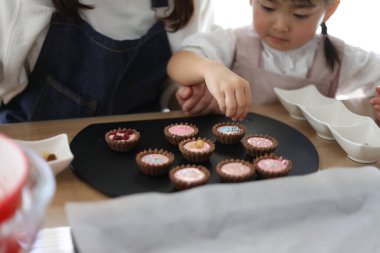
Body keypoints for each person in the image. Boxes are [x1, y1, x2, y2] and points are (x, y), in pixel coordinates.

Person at [0, 0, 215, 123]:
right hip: (40, 156)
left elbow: (171, 86)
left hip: (138, 156)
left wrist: (188, 97)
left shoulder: (182, 5)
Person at [167, 0, 380, 121]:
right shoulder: (233, 42)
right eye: (268, 8)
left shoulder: (341, 58)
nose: (280, 26)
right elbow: (179, 62)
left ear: (329, 9)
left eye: (300, 15)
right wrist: (210, 69)